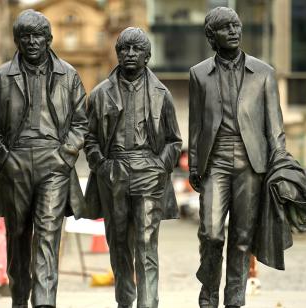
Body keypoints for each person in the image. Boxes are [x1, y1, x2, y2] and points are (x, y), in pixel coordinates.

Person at [0, 9, 88, 308]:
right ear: (16, 40)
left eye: (38, 35)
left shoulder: (68, 75)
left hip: (54, 163)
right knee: (18, 238)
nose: (32, 41)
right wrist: (1, 156)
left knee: (48, 237)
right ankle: (19, 300)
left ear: (49, 38)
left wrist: (65, 155)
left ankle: (44, 303)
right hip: (14, 163)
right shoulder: (0, 77)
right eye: (25, 36)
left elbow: (81, 121)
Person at [188, 7, 286, 308]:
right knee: (211, 233)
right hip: (214, 160)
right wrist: (193, 163)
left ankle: (234, 301)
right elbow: (196, 124)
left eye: (236, 26)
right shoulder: (199, 73)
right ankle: (208, 295)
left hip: (251, 163)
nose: (233, 31)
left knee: (242, 238)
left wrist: (279, 165)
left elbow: (275, 127)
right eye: (224, 27)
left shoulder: (264, 73)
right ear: (211, 36)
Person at [84, 27, 182, 308]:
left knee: (146, 245)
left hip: (148, 173)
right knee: (118, 246)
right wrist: (102, 166)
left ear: (147, 56)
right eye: (124, 49)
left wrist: (159, 167)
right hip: (113, 172)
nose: (129, 54)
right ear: (117, 54)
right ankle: (125, 302)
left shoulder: (162, 94)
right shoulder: (101, 93)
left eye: (136, 49)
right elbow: (89, 138)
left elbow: (174, 141)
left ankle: (148, 304)